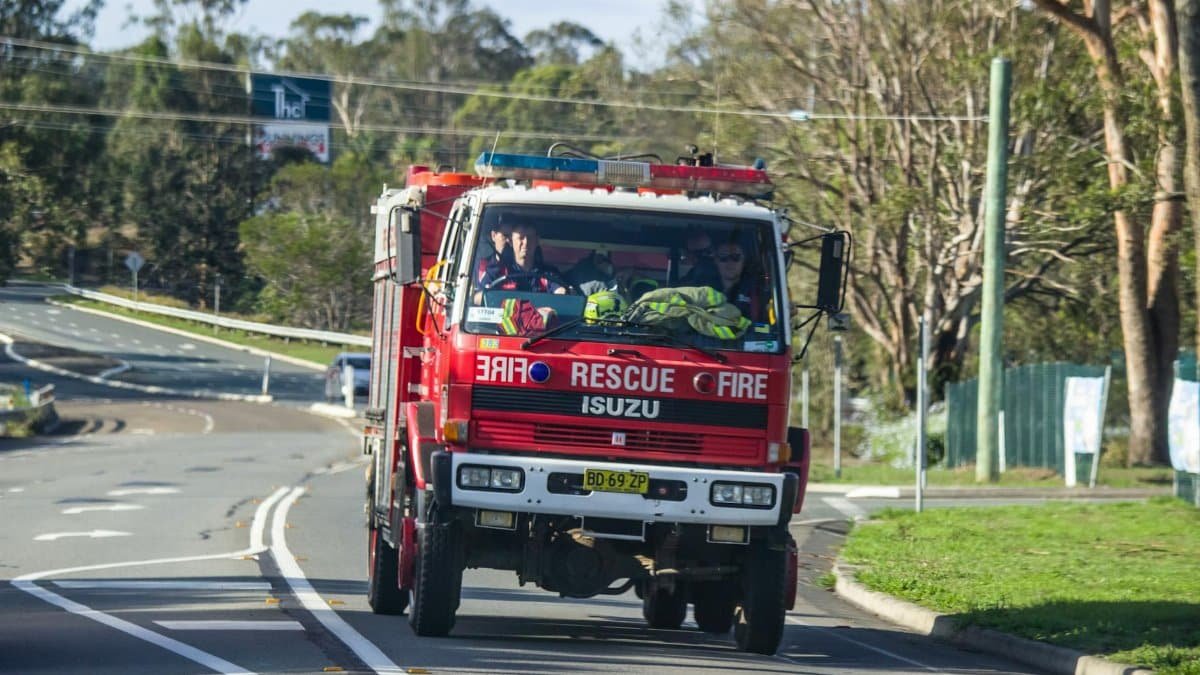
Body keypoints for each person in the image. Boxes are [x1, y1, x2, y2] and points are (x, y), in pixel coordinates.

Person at [477, 223, 568, 299]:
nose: (526, 242)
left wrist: (562, 293)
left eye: (530, 237)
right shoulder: (496, 272)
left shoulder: (549, 274)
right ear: (511, 241)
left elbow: (561, 294)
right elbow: (478, 297)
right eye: (521, 238)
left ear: (537, 241)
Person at [713, 239, 764, 322]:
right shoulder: (703, 289)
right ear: (715, 261)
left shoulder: (758, 292)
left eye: (736, 257)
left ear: (743, 260)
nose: (730, 262)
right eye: (723, 257)